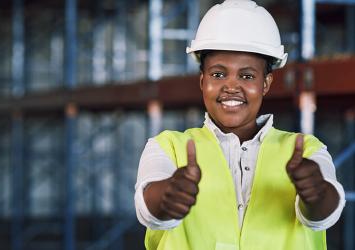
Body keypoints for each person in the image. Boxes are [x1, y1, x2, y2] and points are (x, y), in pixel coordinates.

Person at [135, 0, 345, 249]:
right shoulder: (167, 147)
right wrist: (167, 196)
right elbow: (148, 207)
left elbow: (322, 216)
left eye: (247, 76)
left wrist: (316, 193)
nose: (231, 86)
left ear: (265, 84)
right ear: (203, 81)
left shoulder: (307, 150)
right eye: (218, 74)